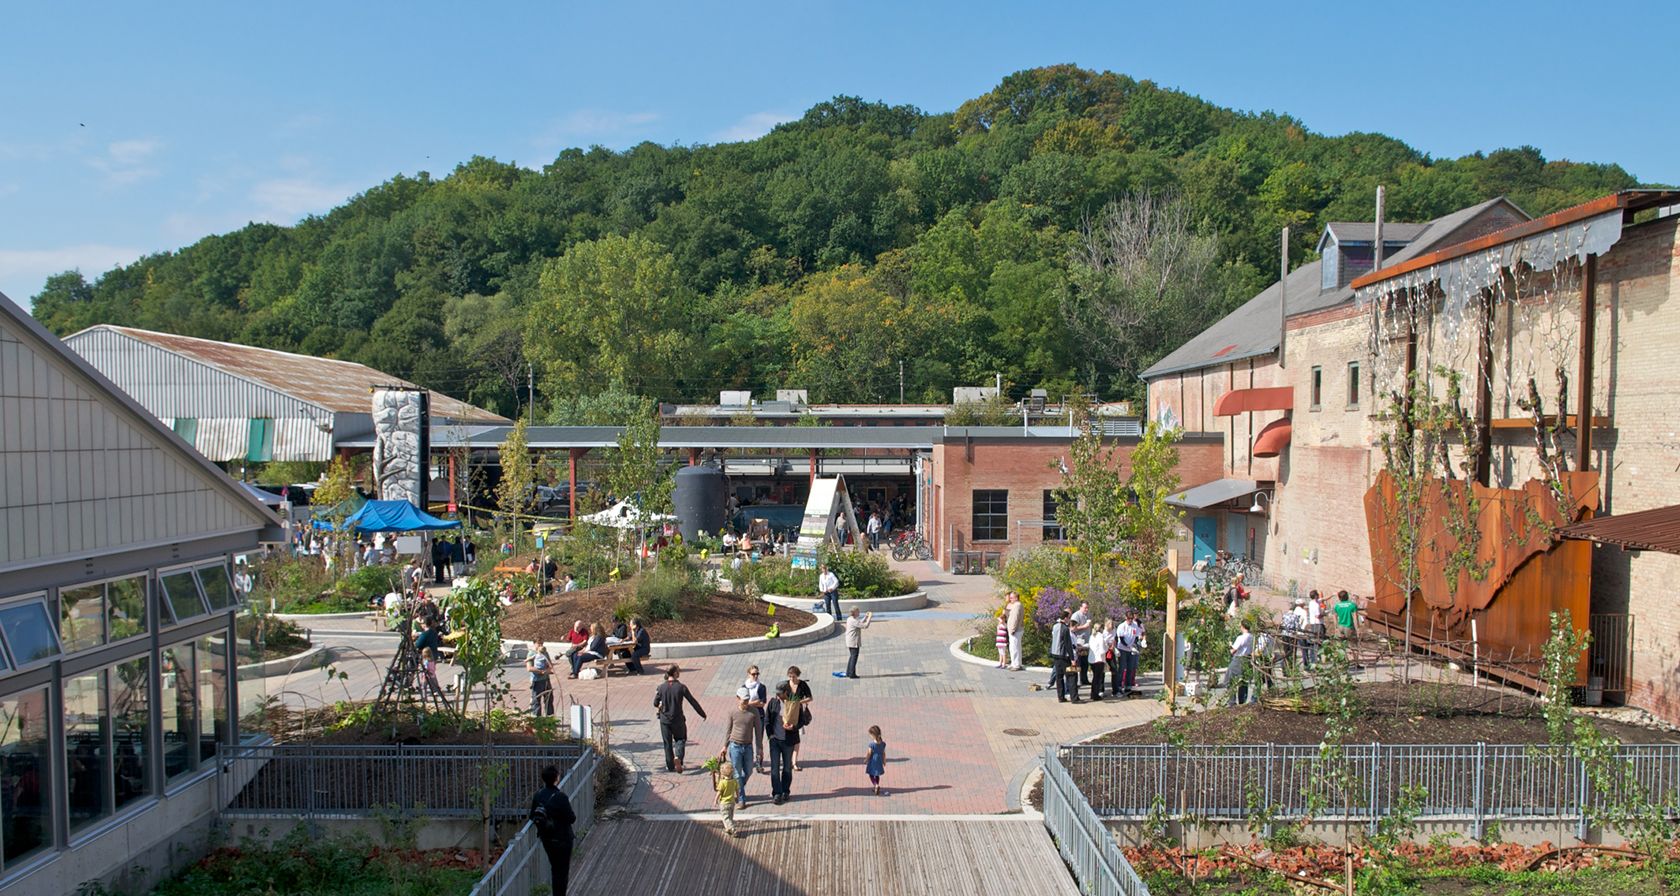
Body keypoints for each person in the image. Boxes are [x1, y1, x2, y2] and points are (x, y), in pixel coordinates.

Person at [530, 764, 576, 896]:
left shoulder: (538, 795)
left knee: (555, 868)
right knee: (562, 872)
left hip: (547, 838)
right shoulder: (560, 797)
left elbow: (532, 815)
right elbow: (571, 818)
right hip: (563, 839)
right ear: (556, 778)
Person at [653, 667, 707, 773]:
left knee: (667, 743)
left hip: (665, 720)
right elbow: (692, 701)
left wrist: (660, 704)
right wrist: (702, 713)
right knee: (681, 739)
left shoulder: (661, 687)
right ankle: (678, 757)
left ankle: (670, 765)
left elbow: (655, 703)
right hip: (678, 719)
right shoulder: (681, 687)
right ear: (675, 673)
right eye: (678, 672)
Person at [766, 681, 807, 805]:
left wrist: (793, 728)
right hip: (775, 741)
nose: (778, 696)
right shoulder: (773, 703)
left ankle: (785, 791)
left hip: (788, 741)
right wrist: (771, 736)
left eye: (780, 693)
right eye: (777, 693)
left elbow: (801, 721)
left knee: (787, 768)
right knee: (774, 768)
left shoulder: (795, 704)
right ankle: (776, 793)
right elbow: (767, 720)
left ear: (786, 692)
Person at [720, 690, 758, 807]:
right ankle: (742, 799)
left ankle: (738, 785)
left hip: (748, 746)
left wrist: (760, 747)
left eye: (747, 699)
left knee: (749, 770)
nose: (746, 702)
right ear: (738, 698)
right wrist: (724, 746)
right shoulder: (732, 712)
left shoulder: (753, 712)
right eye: (744, 699)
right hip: (735, 745)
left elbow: (758, 731)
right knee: (737, 772)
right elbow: (728, 730)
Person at [742, 665, 769, 773]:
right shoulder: (744, 687)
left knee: (759, 740)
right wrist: (754, 702)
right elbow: (742, 704)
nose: (756, 676)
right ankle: (747, 761)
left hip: (759, 716)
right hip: (747, 716)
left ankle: (759, 763)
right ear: (749, 674)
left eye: (757, 673)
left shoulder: (761, 687)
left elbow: (762, 703)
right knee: (746, 739)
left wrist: (749, 703)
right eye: (753, 674)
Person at [785, 666, 814, 770]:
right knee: (786, 736)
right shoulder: (785, 684)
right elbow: (779, 697)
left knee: (796, 738)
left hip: (799, 714)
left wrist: (799, 702)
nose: (792, 679)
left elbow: (810, 698)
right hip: (787, 713)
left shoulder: (802, 685)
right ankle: (787, 760)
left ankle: (794, 762)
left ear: (798, 675)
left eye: (794, 677)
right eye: (790, 677)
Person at [1049, 609, 1079, 704]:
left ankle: (1061, 697)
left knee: (1059, 677)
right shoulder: (1065, 629)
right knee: (1071, 675)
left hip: (1055, 655)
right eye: (1068, 618)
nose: (1069, 620)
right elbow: (1068, 645)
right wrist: (1072, 658)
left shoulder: (1055, 626)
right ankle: (1074, 698)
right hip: (1063, 656)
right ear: (1065, 618)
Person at [1116, 609, 1146, 697]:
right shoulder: (1122, 626)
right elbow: (1121, 639)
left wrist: (1135, 644)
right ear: (1126, 618)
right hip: (1123, 648)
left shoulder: (1135, 625)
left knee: (1130, 668)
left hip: (1131, 649)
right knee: (1122, 668)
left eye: (1131, 618)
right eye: (1129, 618)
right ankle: (1118, 687)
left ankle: (1128, 686)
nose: (1130, 620)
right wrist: (1128, 646)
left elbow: (1136, 636)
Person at [1228, 620, 1255, 706]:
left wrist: (1230, 645)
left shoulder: (1241, 637)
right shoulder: (1252, 637)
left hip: (1238, 659)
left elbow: (1233, 650)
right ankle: (1242, 701)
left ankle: (1232, 701)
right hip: (1248, 659)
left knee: (1229, 679)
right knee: (1244, 681)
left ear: (1242, 626)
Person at [527, 638, 555, 716]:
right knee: (536, 700)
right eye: (538, 644)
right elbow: (529, 668)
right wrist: (540, 672)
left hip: (546, 679)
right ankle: (537, 718)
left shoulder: (545, 653)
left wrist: (547, 670)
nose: (540, 646)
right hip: (536, 680)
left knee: (549, 698)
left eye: (542, 644)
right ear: (534, 644)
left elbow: (550, 665)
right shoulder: (531, 654)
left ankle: (550, 717)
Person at [713, 758, 740, 838]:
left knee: (725, 817)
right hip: (732, 802)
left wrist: (715, 800)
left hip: (724, 803)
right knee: (730, 816)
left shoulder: (722, 783)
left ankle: (732, 828)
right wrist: (738, 797)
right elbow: (737, 790)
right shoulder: (734, 781)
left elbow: (719, 792)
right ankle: (727, 829)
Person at [843, 608, 873, 679]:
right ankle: (852, 674)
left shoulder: (850, 619)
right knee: (854, 657)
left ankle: (848, 672)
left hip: (850, 641)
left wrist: (865, 617)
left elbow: (859, 623)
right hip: (853, 642)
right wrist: (870, 617)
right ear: (854, 612)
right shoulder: (853, 620)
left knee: (852, 656)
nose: (859, 612)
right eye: (858, 611)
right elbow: (865, 626)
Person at [1086, 618, 1110, 701]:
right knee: (1098, 678)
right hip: (1099, 659)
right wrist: (1107, 647)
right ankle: (1095, 694)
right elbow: (1102, 650)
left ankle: (1093, 693)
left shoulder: (1091, 636)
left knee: (1094, 678)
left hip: (1092, 659)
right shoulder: (1100, 636)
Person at [1070, 601, 1093, 686]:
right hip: (1078, 642)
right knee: (1078, 661)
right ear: (1080, 607)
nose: (1086, 609)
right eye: (1085, 608)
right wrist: (1084, 626)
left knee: (1085, 662)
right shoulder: (1076, 616)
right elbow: (1072, 629)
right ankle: (1076, 682)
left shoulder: (1088, 615)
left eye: (1087, 607)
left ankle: (1084, 679)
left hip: (1086, 642)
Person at [865, 725, 887, 796]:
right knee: (877, 774)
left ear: (873, 735)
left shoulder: (871, 745)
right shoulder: (883, 744)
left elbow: (869, 753)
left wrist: (866, 759)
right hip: (879, 761)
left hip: (873, 761)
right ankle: (877, 784)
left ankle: (875, 785)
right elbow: (883, 753)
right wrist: (884, 761)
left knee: (871, 774)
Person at [1004, 591, 1024, 671]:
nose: (1010, 599)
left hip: (1015, 630)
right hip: (1017, 629)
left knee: (1014, 647)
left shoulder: (1017, 605)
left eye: (1012, 598)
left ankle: (1016, 665)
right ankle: (1016, 663)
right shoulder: (1017, 605)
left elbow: (1015, 618)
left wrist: (1012, 629)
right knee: (1016, 647)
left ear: (1016, 598)